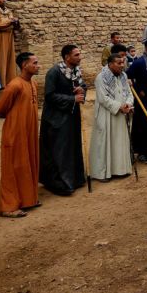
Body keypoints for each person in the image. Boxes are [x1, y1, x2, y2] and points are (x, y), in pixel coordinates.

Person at [0, 52, 41, 218]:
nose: (38, 66)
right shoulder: (14, 85)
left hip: (29, 132)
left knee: (28, 164)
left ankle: (27, 199)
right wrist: (16, 120)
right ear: (24, 65)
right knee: (13, 168)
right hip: (15, 133)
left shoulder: (33, 83)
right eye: (34, 63)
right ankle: (8, 206)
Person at [39, 45, 86, 196]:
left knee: (72, 147)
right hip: (56, 118)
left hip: (72, 116)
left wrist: (82, 90)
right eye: (76, 55)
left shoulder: (76, 71)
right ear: (67, 57)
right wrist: (72, 99)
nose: (79, 57)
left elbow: (82, 85)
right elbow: (49, 96)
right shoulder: (54, 72)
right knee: (59, 150)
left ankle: (75, 179)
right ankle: (59, 183)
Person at [89, 53, 134, 181]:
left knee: (120, 142)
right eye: (118, 63)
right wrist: (119, 107)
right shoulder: (101, 78)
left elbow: (129, 93)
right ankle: (103, 173)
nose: (122, 65)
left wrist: (128, 104)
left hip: (122, 115)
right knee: (105, 143)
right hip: (107, 115)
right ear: (110, 64)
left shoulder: (123, 76)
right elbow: (103, 98)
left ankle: (121, 170)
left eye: (123, 62)